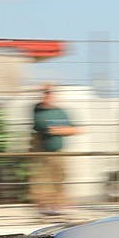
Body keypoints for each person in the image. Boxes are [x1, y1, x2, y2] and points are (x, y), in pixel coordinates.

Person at [30, 85, 79, 215]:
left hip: (58, 153)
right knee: (41, 182)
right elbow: (40, 125)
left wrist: (61, 130)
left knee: (59, 180)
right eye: (45, 93)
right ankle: (44, 208)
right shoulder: (37, 110)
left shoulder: (60, 112)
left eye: (50, 93)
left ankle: (58, 207)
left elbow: (74, 129)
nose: (47, 95)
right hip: (41, 154)